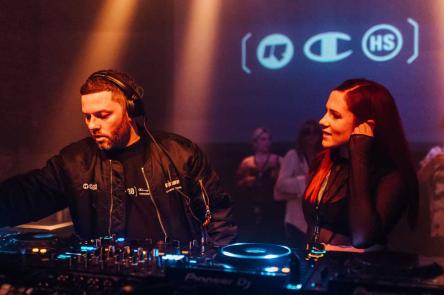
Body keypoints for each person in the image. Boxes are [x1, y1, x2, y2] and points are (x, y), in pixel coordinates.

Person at [0, 70, 237, 247]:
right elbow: (24, 196)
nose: (92, 125)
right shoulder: (74, 161)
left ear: (130, 111)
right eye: (87, 117)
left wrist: (211, 273)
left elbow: (218, 216)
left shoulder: (179, 153)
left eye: (102, 115)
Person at [303, 79, 418, 251]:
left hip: (358, 275)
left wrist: (359, 155)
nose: (322, 121)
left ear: (366, 125)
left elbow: (363, 237)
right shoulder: (324, 162)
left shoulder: (392, 177)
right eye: (326, 112)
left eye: (335, 115)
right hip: (316, 269)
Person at [274, 120, 322, 249]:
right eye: (307, 132)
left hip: (317, 221)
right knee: (298, 259)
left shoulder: (323, 157)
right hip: (296, 220)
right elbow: (281, 185)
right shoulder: (293, 156)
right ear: (302, 136)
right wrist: (305, 180)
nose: (312, 136)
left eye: (315, 132)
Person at [235, 127, 283, 242]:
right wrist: (246, 181)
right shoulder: (247, 162)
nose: (267, 142)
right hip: (251, 207)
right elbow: (237, 185)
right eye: (263, 139)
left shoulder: (278, 160)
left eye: (268, 139)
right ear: (255, 142)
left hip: (272, 208)